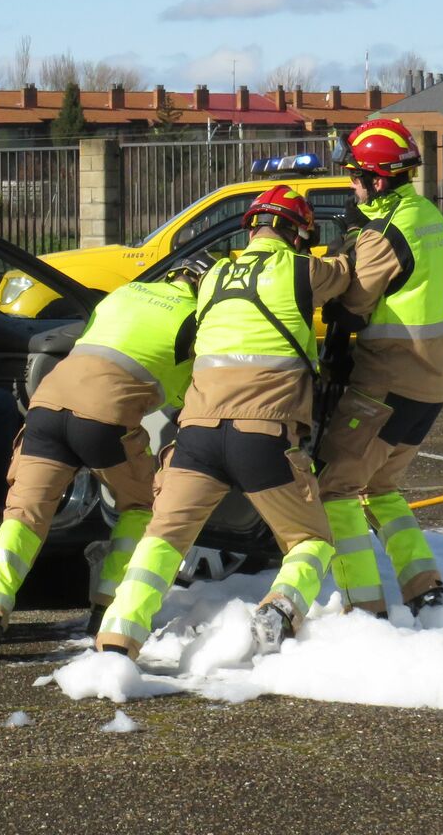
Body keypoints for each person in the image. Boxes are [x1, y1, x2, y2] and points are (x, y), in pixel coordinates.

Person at [96, 185, 351, 659]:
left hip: (196, 436)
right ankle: (280, 610)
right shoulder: (301, 269)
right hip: (264, 437)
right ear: (299, 234)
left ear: (250, 228)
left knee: (163, 539)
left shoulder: (213, 274)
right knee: (311, 541)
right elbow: (348, 279)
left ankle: (117, 635)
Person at [0, 256, 206, 659]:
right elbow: (185, 391)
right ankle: (108, 606)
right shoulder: (195, 316)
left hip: (47, 407)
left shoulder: (125, 293)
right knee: (142, 505)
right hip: (104, 419)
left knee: (25, 513)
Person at [318, 118, 443, 622]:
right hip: (430, 382)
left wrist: (347, 249)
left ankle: (364, 611)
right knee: (382, 489)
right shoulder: (428, 216)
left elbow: (351, 305)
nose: (351, 185)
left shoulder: (385, 231)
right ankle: (426, 589)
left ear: (377, 178)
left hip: (386, 382)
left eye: (356, 176)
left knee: (336, 487)